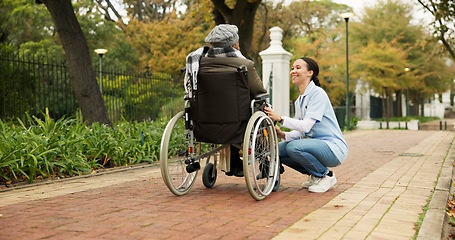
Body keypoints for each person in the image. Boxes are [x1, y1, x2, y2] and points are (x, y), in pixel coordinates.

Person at [184, 24, 267, 177]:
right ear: (234, 44)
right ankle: (265, 163)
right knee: (261, 108)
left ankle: (233, 163)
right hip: (236, 125)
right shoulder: (244, 64)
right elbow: (259, 92)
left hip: (203, 125)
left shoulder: (196, 64)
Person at [264, 57, 348, 193]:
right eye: (292, 68)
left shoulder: (318, 94)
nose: (293, 71)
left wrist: (280, 118)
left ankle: (326, 175)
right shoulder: (299, 100)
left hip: (333, 147)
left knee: (294, 148)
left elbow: (306, 126)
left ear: (310, 72)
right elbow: (300, 133)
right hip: (316, 144)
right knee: (276, 149)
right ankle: (315, 175)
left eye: (298, 68)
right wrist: (282, 134)